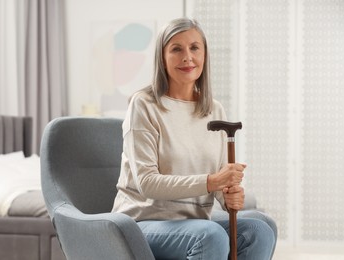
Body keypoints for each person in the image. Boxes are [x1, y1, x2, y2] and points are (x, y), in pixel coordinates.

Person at [111, 17, 276, 259]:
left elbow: (218, 179)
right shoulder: (144, 105)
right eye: (176, 49)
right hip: (141, 222)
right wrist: (212, 181)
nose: (187, 57)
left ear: (204, 55)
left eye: (194, 48)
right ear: (162, 58)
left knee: (259, 230)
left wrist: (230, 195)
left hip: (194, 223)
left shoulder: (214, 109)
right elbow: (147, 183)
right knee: (210, 236)